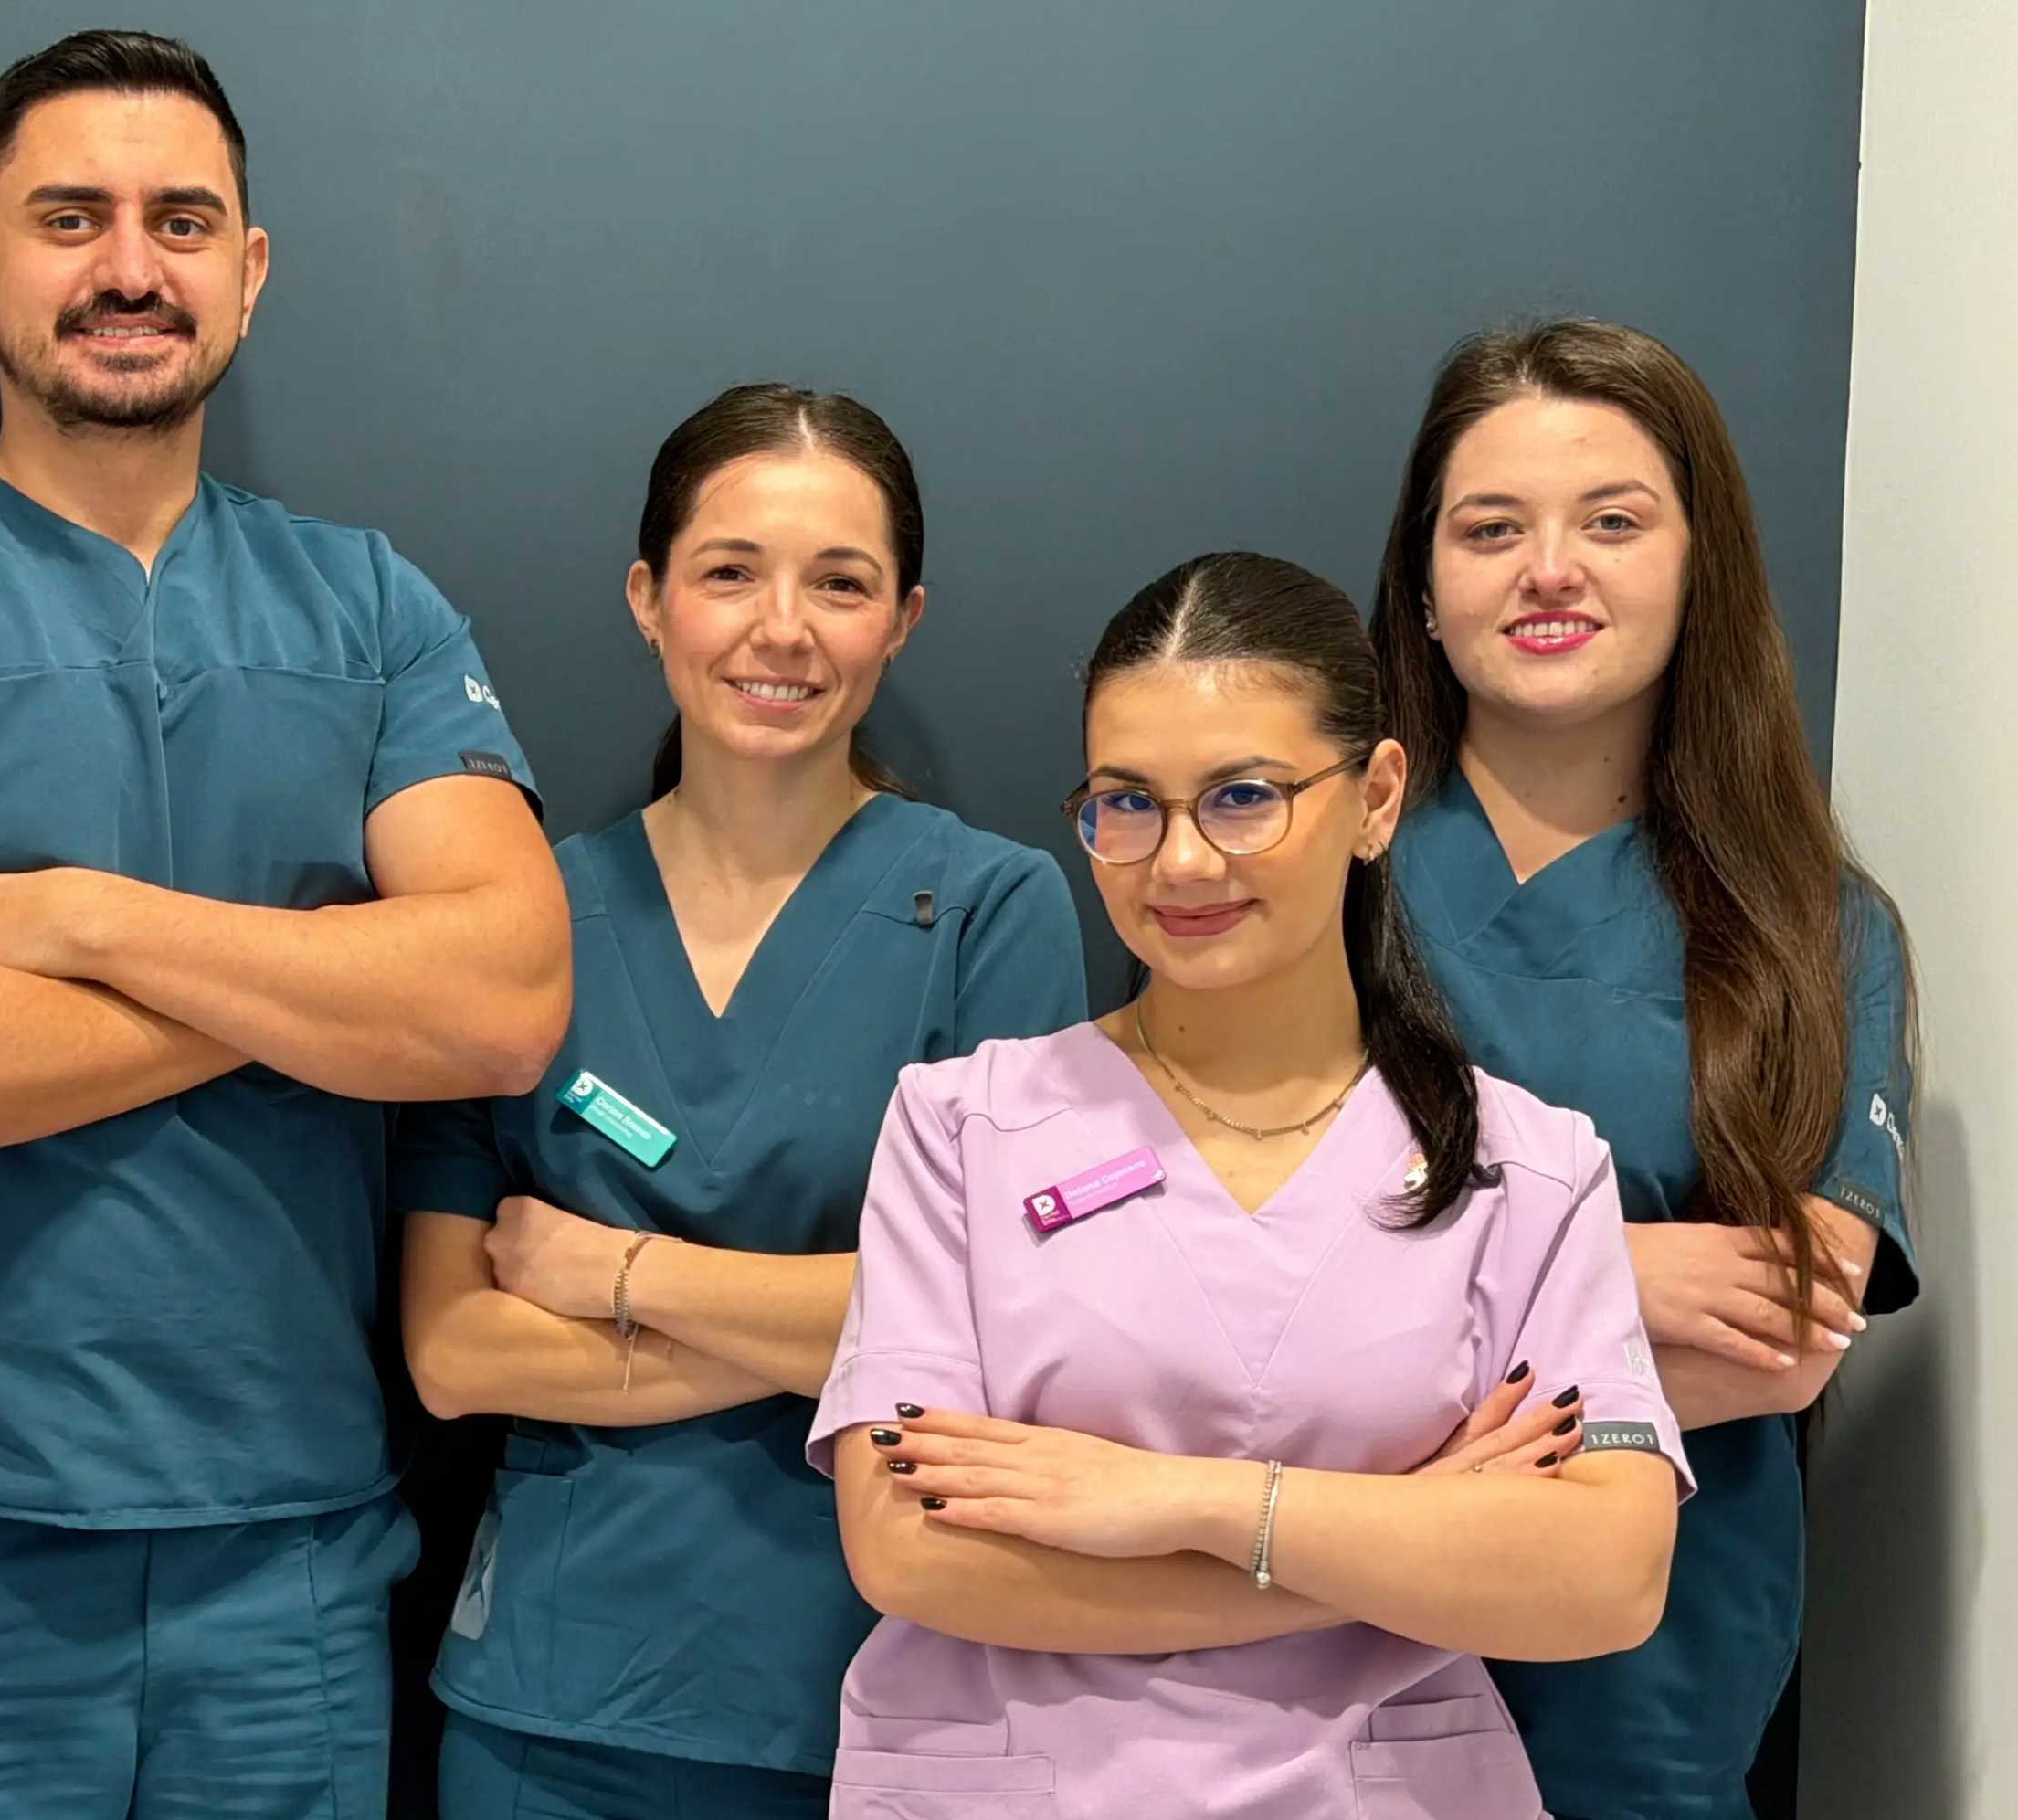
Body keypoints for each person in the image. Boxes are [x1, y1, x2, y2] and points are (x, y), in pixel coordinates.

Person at [0, 28, 571, 1818]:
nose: (128, 267)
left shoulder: (370, 606)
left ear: (247, 272)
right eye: (68, 219)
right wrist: (325, 985)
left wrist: (75, 918)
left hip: (294, 1550)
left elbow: (499, 1001)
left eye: (179, 222)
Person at [808, 552, 1686, 1818]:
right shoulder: (962, 1128)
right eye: (1126, 803)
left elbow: (1606, 1577)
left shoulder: (1529, 1170)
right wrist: (1397, 1539)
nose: (1177, 862)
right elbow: (907, 1553)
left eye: (1240, 797)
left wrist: (1180, 1501)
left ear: (1375, 798)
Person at [393, 385, 1083, 1820]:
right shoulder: (520, 922)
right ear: (647, 599)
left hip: (882, 1710)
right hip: (548, 1716)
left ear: (901, 619)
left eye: (839, 583)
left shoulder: (989, 912)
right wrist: (853, 1323)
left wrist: (619, 1276)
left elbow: (1009, 1328)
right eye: (728, 572)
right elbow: (453, 1351)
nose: (782, 628)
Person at [1368, 319, 1918, 1820]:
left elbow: (1777, 1338)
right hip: (1307, 1669)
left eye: (1611, 522)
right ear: (1421, 585)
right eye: (1491, 530)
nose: (1549, 571)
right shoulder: (1307, 881)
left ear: (1698, 566)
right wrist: (1610, 1267)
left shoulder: (1814, 927)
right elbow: (1190, 1298)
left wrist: (1383, 1345)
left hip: (1645, 1690)